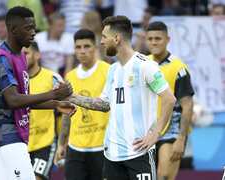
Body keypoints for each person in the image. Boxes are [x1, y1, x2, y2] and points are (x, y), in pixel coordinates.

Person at [67, 16, 176, 180]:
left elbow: (169, 99)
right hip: (113, 156)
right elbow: (104, 104)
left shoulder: (145, 66)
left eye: (104, 37)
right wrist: (70, 97)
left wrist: (155, 134)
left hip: (139, 153)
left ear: (116, 38)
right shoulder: (113, 70)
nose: (101, 42)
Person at [0, 6, 74, 180]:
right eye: (28, 28)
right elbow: (13, 100)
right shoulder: (2, 58)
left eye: (34, 28)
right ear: (13, 29)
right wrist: (53, 95)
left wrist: (56, 105)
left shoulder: (20, 56)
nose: (33, 33)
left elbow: (23, 100)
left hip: (13, 136)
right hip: (7, 138)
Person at [54, 29, 110, 180]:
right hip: (75, 148)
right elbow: (68, 111)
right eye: (78, 47)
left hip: (103, 147)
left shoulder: (108, 70)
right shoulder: (70, 76)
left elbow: (108, 106)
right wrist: (61, 143)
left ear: (95, 47)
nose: (82, 51)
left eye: (87, 46)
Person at [146, 21, 194, 180]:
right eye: (150, 38)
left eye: (158, 38)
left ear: (168, 39)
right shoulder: (142, 64)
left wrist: (181, 138)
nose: (154, 42)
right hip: (147, 129)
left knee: (164, 176)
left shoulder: (178, 68)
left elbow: (187, 105)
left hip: (172, 130)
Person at [23, 41, 64, 180]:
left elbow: (64, 112)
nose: (22, 57)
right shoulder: (14, 82)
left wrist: (62, 143)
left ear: (37, 55)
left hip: (45, 143)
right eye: (19, 54)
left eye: (26, 53)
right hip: (21, 145)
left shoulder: (52, 78)